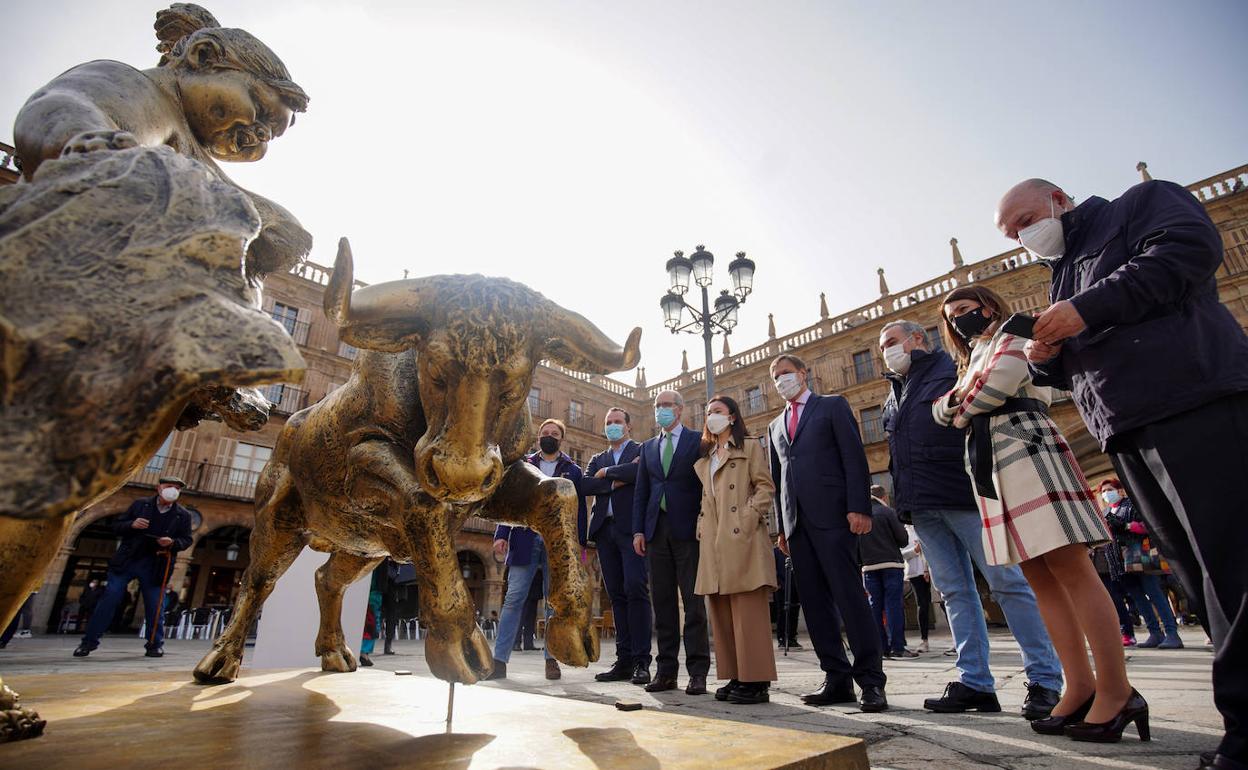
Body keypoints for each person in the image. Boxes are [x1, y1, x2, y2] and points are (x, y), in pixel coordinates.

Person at [998, 177, 1248, 769]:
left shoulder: (1142, 204)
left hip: (1192, 397)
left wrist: (1082, 310)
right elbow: (1086, 352)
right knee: (1199, 573)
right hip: (1126, 425)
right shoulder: (1062, 273)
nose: (1022, 236)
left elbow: (1188, 250)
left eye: (1025, 220)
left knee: (1232, 564)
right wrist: (1049, 357)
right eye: (1010, 234)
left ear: (1058, 199)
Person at [934, 285, 1143, 742]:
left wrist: (961, 402)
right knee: (1040, 580)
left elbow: (995, 387)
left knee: (1072, 570)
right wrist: (964, 398)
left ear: (989, 306)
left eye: (965, 309)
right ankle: (1080, 686)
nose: (958, 321)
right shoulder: (974, 356)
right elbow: (944, 408)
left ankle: (1117, 689)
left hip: (1030, 450)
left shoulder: (1015, 330)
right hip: (995, 468)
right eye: (951, 318)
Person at [879, 319, 1063, 719]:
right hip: (921, 505)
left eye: (891, 341)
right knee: (955, 594)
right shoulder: (893, 392)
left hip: (964, 493)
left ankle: (1046, 680)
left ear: (917, 338)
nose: (886, 351)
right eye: (880, 346)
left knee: (1007, 584)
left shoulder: (951, 366)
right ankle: (975, 682)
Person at [768, 354, 888, 712]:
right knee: (815, 604)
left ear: (803, 374)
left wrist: (860, 507)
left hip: (834, 516)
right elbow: (778, 479)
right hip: (797, 525)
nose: (781, 380)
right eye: (775, 377)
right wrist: (782, 527)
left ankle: (870, 680)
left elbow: (853, 456)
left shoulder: (832, 406)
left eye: (786, 373)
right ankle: (836, 678)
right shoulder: (774, 426)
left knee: (850, 597)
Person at [692, 395, 778, 704]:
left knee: (748, 610)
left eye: (717, 411)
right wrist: (702, 524)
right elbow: (708, 498)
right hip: (714, 540)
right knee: (722, 611)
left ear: (732, 417)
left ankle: (757, 680)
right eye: (708, 412)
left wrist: (748, 516)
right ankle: (736, 675)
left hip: (743, 537)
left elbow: (765, 487)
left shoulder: (750, 447)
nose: (711, 416)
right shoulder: (707, 457)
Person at [486, 418, 586, 681]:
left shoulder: (572, 470)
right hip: (524, 538)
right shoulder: (523, 465)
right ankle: (499, 661)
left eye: (554, 433)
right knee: (513, 599)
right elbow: (509, 500)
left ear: (561, 439)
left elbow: (579, 511)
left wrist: (579, 545)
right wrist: (501, 534)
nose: (549, 436)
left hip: (557, 544)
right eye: (545, 432)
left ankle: (551, 660)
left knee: (554, 602)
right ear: (538, 437)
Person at [632, 389, 710, 695]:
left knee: (693, 603)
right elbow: (642, 491)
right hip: (656, 531)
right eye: (657, 405)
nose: (660, 410)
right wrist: (639, 531)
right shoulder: (649, 446)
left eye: (666, 405)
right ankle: (665, 672)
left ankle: (698, 672)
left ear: (679, 409)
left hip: (688, 530)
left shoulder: (696, 441)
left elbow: (706, 484)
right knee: (662, 604)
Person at [74, 476, 194, 658]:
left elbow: (186, 540)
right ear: (159, 488)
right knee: (109, 598)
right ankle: (88, 643)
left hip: (156, 565)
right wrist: (132, 524)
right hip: (128, 561)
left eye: (177, 488)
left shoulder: (183, 515)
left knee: (155, 606)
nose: (173, 490)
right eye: (170, 486)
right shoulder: (140, 505)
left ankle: (154, 645)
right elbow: (116, 526)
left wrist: (172, 542)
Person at [583, 407, 653, 685]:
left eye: (617, 421)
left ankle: (641, 661)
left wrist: (607, 473)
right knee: (616, 595)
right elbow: (585, 485)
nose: (612, 425)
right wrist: (616, 482)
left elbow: (639, 472)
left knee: (636, 589)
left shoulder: (642, 449)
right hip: (604, 531)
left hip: (631, 529)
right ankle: (623, 660)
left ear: (628, 426)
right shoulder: (596, 457)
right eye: (608, 422)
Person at [1100, 479, 1182, 649]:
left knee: (1154, 594)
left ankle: (1172, 633)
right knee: (1138, 598)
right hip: (1119, 562)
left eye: (1109, 489)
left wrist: (1127, 525)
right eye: (1103, 491)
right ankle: (1155, 633)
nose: (1106, 494)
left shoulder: (1132, 505)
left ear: (1120, 491)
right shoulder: (1105, 511)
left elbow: (1147, 526)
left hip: (1139, 557)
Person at [860, 487, 918, 659]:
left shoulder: (859, 515)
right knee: (893, 605)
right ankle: (897, 647)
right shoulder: (887, 512)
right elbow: (903, 539)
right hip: (891, 564)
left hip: (868, 566)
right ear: (884, 497)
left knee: (874, 607)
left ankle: (881, 648)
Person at [902, 523, 932, 653]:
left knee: (943, 603)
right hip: (915, 572)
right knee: (922, 605)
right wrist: (915, 550)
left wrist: (927, 569)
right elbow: (900, 553)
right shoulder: (904, 532)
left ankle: (955, 639)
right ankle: (924, 640)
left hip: (931, 570)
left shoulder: (925, 526)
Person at [772, 545, 802, 650]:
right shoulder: (776, 551)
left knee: (794, 612)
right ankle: (782, 639)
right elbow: (772, 568)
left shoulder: (796, 549)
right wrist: (776, 582)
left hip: (795, 586)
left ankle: (792, 638)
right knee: (782, 612)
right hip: (781, 587)